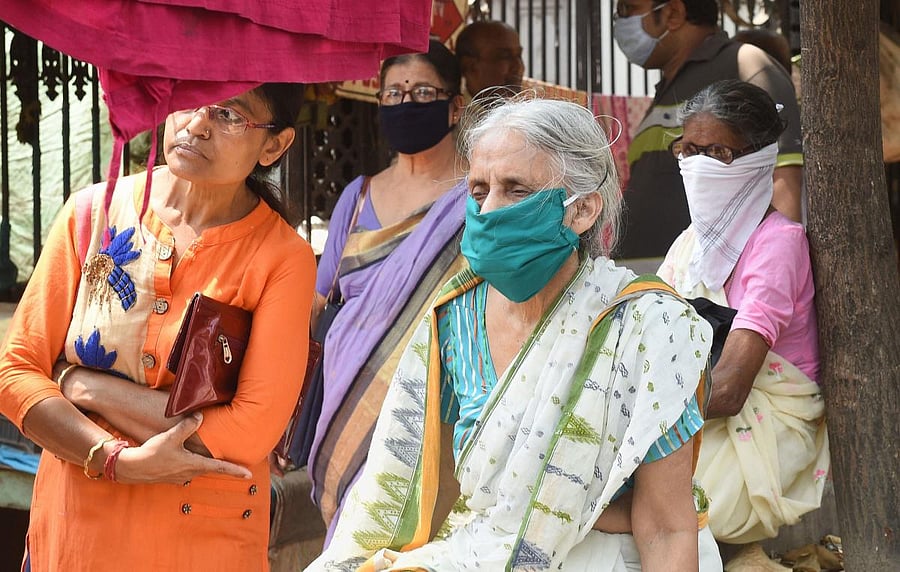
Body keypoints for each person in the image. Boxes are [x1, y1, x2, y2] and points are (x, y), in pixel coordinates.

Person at [309, 97, 723, 571]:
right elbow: (427, 494)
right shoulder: (455, 317)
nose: (488, 210)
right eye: (478, 189)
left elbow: (667, 526)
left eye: (516, 190)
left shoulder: (647, 327)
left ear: (583, 210)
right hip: (484, 552)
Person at [0, 83, 317, 571]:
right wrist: (112, 459)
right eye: (191, 97)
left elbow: (246, 433)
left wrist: (80, 383)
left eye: (230, 115)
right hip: (75, 535)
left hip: (202, 543)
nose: (197, 123)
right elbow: (16, 372)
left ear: (274, 144)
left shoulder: (282, 259)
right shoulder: (92, 214)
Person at [657, 79, 829, 546]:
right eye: (686, 150)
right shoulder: (689, 244)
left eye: (715, 152)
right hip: (694, 414)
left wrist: (638, 426)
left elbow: (731, 389)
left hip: (767, 422)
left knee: (659, 512)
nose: (695, 166)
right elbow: (648, 341)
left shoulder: (778, 243)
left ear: (756, 158)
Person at [306, 39, 469, 534]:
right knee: (357, 533)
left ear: (455, 106)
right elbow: (318, 305)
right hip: (351, 391)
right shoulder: (356, 200)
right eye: (393, 95)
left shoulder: (478, 196)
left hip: (447, 398)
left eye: (422, 92)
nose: (406, 105)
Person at [613, 0, 803, 261]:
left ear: (673, 13)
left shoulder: (746, 65)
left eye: (627, 9)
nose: (619, 21)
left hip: (711, 293)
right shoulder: (664, 90)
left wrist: (777, 268)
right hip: (656, 286)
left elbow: (784, 174)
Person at [455, 19, 525, 99]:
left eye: (519, 55)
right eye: (505, 56)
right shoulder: (454, 110)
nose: (518, 67)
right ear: (470, 66)